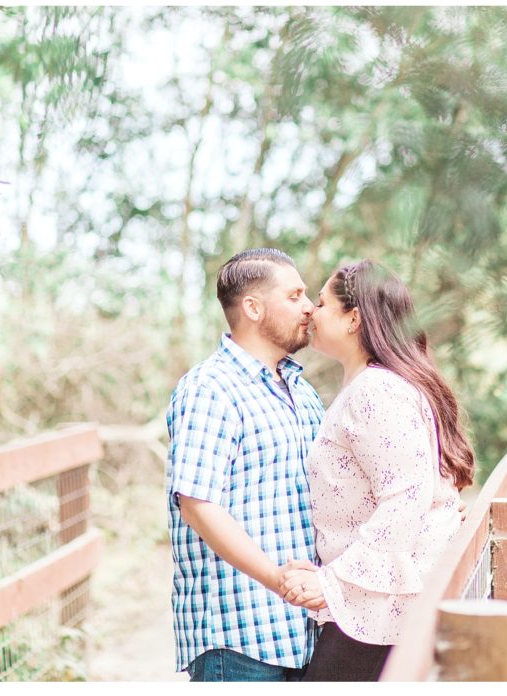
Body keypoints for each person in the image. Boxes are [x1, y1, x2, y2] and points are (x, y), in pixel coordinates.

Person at [279, 259, 476, 681]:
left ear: (354, 319)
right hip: (376, 602)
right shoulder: (371, 387)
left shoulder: (376, 392)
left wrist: (335, 582)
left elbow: (407, 495)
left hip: (381, 609)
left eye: (322, 302)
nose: (312, 311)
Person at [165, 248, 324, 681]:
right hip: (240, 638)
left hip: (306, 632)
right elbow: (198, 503)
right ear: (253, 308)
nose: (310, 307)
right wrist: (277, 579)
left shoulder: (301, 391)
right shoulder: (210, 389)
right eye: (295, 296)